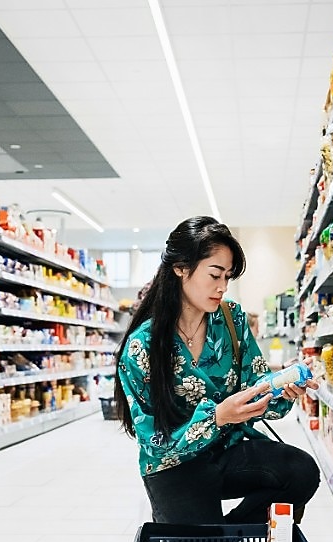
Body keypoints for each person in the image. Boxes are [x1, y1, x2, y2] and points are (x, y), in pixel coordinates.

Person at [115, 217, 320, 525]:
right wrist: (218, 416)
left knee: (302, 472)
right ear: (181, 268)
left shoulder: (231, 319)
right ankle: (218, 533)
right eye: (214, 275)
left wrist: (281, 385)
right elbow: (155, 444)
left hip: (228, 450)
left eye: (227, 277)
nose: (222, 287)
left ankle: (238, 535)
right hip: (175, 464)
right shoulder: (142, 347)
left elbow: (255, 382)